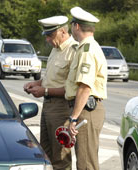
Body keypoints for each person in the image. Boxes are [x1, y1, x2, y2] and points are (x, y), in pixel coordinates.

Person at [23, 16, 78, 170]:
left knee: (60, 156)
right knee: (45, 154)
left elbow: (72, 89)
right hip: (47, 106)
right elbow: (52, 79)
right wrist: (36, 84)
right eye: (46, 35)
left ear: (62, 32)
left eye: (50, 35)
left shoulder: (73, 51)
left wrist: (44, 90)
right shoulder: (55, 49)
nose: (47, 39)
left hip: (61, 108)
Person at [65, 7, 107, 170]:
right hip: (85, 110)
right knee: (84, 161)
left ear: (76, 26)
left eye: (71, 24)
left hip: (86, 111)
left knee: (86, 164)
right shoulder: (86, 47)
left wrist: (74, 118)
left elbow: (84, 87)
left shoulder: (87, 50)